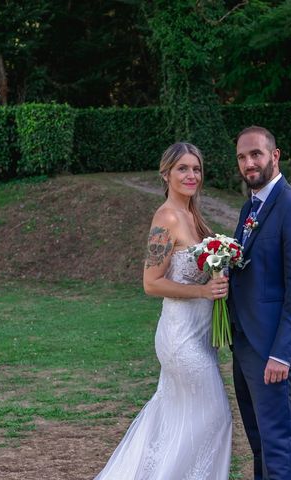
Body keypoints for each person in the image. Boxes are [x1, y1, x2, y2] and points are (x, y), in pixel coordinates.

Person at [94, 142, 232, 480]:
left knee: (177, 419)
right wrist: (203, 290)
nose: (191, 175)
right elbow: (151, 283)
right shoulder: (166, 217)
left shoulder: (195, 217)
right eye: (182, 168)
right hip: (181, 338)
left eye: (196, 169)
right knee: (216, 416)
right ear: (166, 173)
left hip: (202, 337)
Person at [227, 126, 291, 480]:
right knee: (259, 443)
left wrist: (282, 353)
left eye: (256, 154)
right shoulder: (250, 207)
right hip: (246, 344)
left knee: (278, 443)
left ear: (275, 156)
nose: (249, 163)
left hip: (272, 352)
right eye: (241, 157)